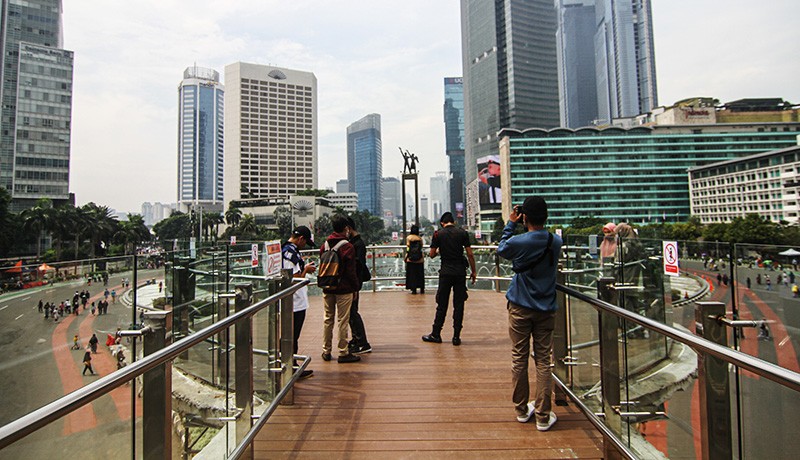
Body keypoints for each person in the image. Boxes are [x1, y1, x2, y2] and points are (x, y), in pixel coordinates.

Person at [496, 196, 562, 431]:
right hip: (546, 309)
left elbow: (502, 249)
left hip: (520, 307)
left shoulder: (520, 241)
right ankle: (544, 415)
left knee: (519, 358)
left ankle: (522, 410)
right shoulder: (555, 242)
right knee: (544, 360)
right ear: (546, 216)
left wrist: (511, 223)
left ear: (525, 217)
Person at [422, 212, 477, 346]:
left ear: (442, 223)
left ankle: (436, 334)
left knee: (442, 304)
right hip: (460, 272)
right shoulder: (462, 233)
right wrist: (474, 271)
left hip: (445, 273)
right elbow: (469, 254)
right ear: (453, 222)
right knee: (459, 304)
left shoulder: (438, 234)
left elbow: (432, 254)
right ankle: (456, 337)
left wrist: (442, 249)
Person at [319, 214, 361, 363]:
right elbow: (351, 271)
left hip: (327, 286)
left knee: (328, 318)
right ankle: (343, 352)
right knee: (342, 320)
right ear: (346, 228)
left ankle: (326, 350)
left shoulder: (325, 245)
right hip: (344, 288)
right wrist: (355, 288)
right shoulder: (347, 247)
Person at [282, 225, 317, 379]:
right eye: (305, 242)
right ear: (301, 239)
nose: (304, 246)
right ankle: (291, 367)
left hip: (290, 300)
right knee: (292, 335)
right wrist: (306, 271)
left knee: (290, 335)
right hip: (295, 302)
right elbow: (295, 279)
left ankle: (289, 364)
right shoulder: (292, 254)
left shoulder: (283, 250)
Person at [345, 216, 372, 355]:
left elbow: (358, 266)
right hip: (353, 282)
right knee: (351, 312)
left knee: (353, 312)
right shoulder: (354, 243)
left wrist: (355, 286)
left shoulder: (358, 244)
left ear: (348, 228)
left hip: (354, 283)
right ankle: (356, 339)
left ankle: (363, 342)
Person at [405, 224, 425, 294]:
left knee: (412, 274)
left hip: (411, 259)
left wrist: (406, 256)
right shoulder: (419, 238)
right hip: (419, 259)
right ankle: (422, 288)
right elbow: (421, 246)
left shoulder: (409, 237)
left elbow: (408, 247)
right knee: (420, 274)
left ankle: (414, 289)